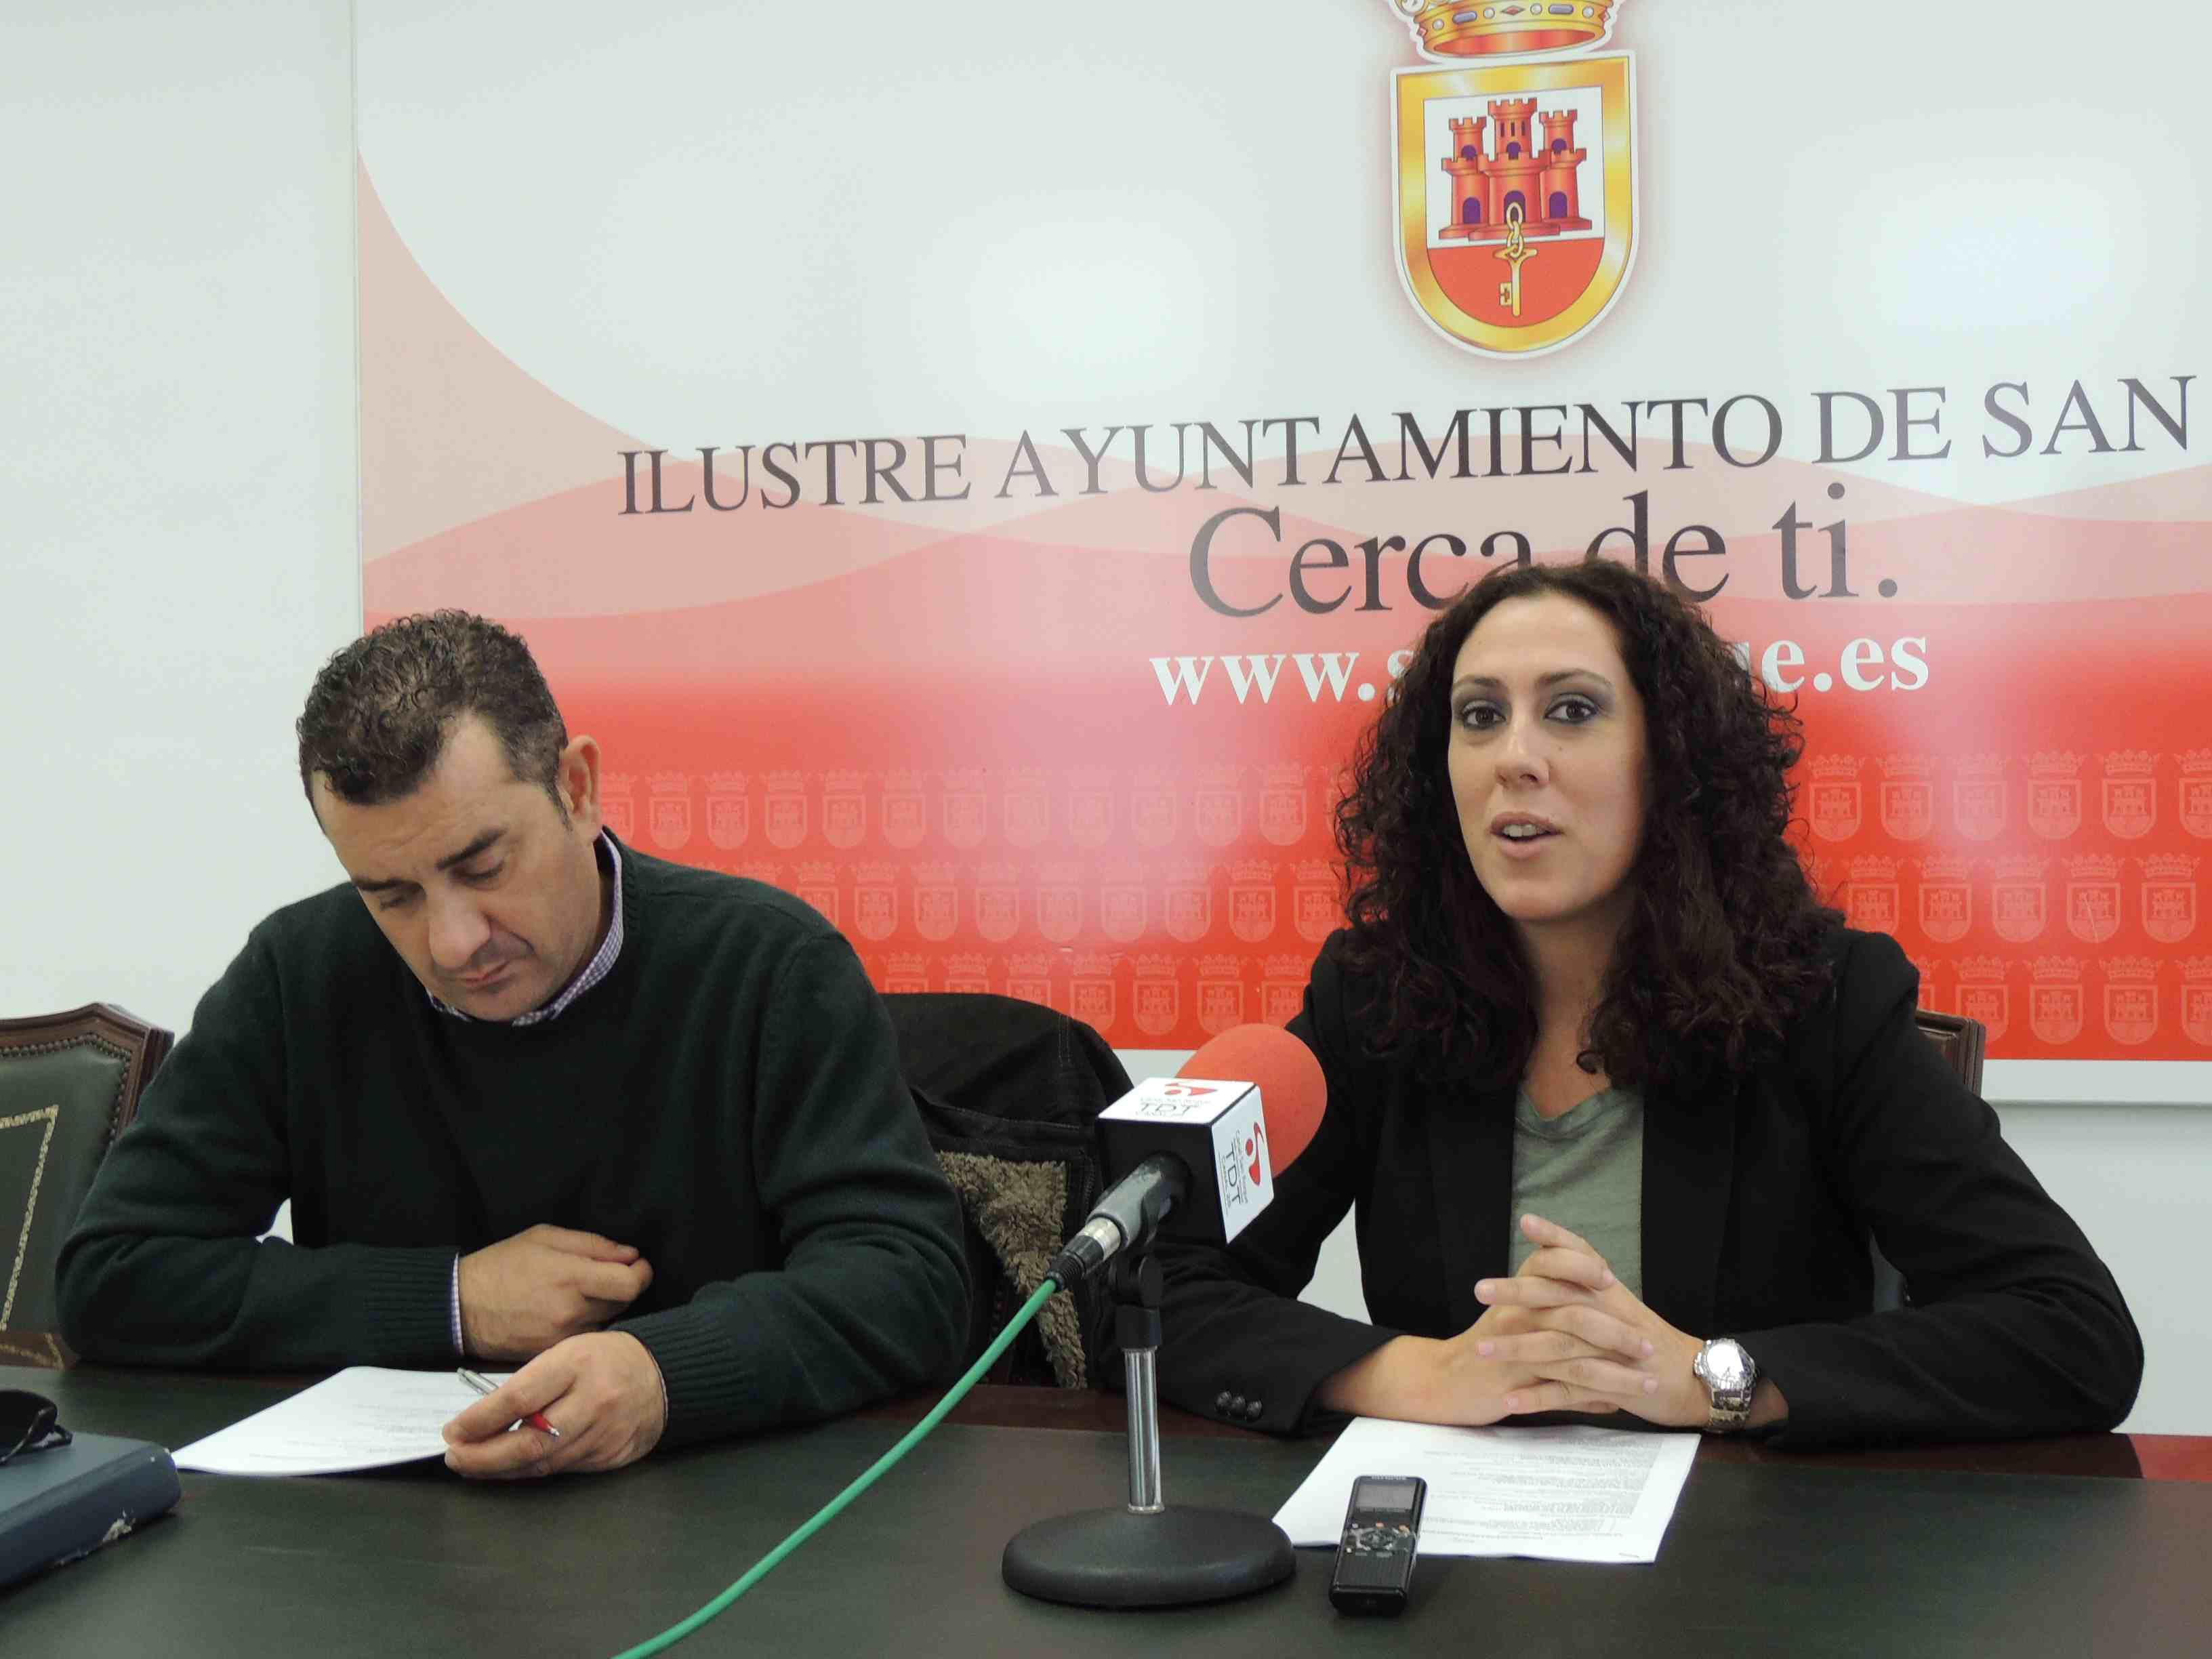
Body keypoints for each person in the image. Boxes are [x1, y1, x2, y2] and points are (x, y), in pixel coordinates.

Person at [1151, 560, 2141, 1446]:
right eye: (1479, 716)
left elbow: (2071, 1331)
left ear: (1671, 761)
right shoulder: (1378, 998)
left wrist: (1715, 1379)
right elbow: (1162, 1289)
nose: (1514, 758)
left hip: (1751, 1557)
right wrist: (1421, 1374)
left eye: (1572, 710)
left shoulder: (1826, 1000)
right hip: (1454, 1559)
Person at [58, 611, 970, 1477]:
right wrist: (452, 1302)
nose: (454, 942)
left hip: (733, 1512)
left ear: (577, 789)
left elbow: (910, 1278)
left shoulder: (769, 964)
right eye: (392, 897)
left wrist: (663, 1375)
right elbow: (114, 1275)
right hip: (385, 1539)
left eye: (484, 866)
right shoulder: (298, 975)